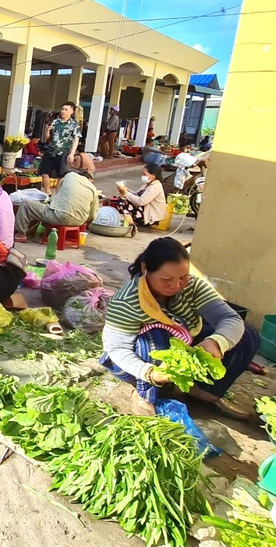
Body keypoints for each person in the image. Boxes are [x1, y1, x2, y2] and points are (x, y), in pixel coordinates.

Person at [100, 238, 259, 417]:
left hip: (185, 342)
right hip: (139, 358)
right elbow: (118, 349)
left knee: (247, 334)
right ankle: (144, 394)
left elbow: (230, 318)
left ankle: (203, 391)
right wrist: (150, 373)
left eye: (183, 277)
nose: (176, 286)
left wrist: (216, 341)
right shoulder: (126, 301)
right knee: (155, 335)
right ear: (145, 269)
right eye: (166, 279)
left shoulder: (193, 286)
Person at [14, 155, 98, 242]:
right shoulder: (93, 189)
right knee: (46, 209)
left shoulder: (70, 176)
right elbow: (92, 216)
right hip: (79, 221)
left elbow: (59, 196)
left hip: (61, 216)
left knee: (26, 204)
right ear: (89, 179)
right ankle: (33, 231)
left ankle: (21, 234)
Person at [40, 101, 82, 195]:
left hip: (64, 152)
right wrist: (47, 131)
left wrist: (72, 153)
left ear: (72, 111)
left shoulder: (74, 125)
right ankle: (47, 192)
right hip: (51, 150)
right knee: (44, 171)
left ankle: (58, 194)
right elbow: (48, 139)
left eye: (66, 109)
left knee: (61, 174)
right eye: (62, 109)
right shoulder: (55, 122)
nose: (63, 111)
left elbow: (76, 140)